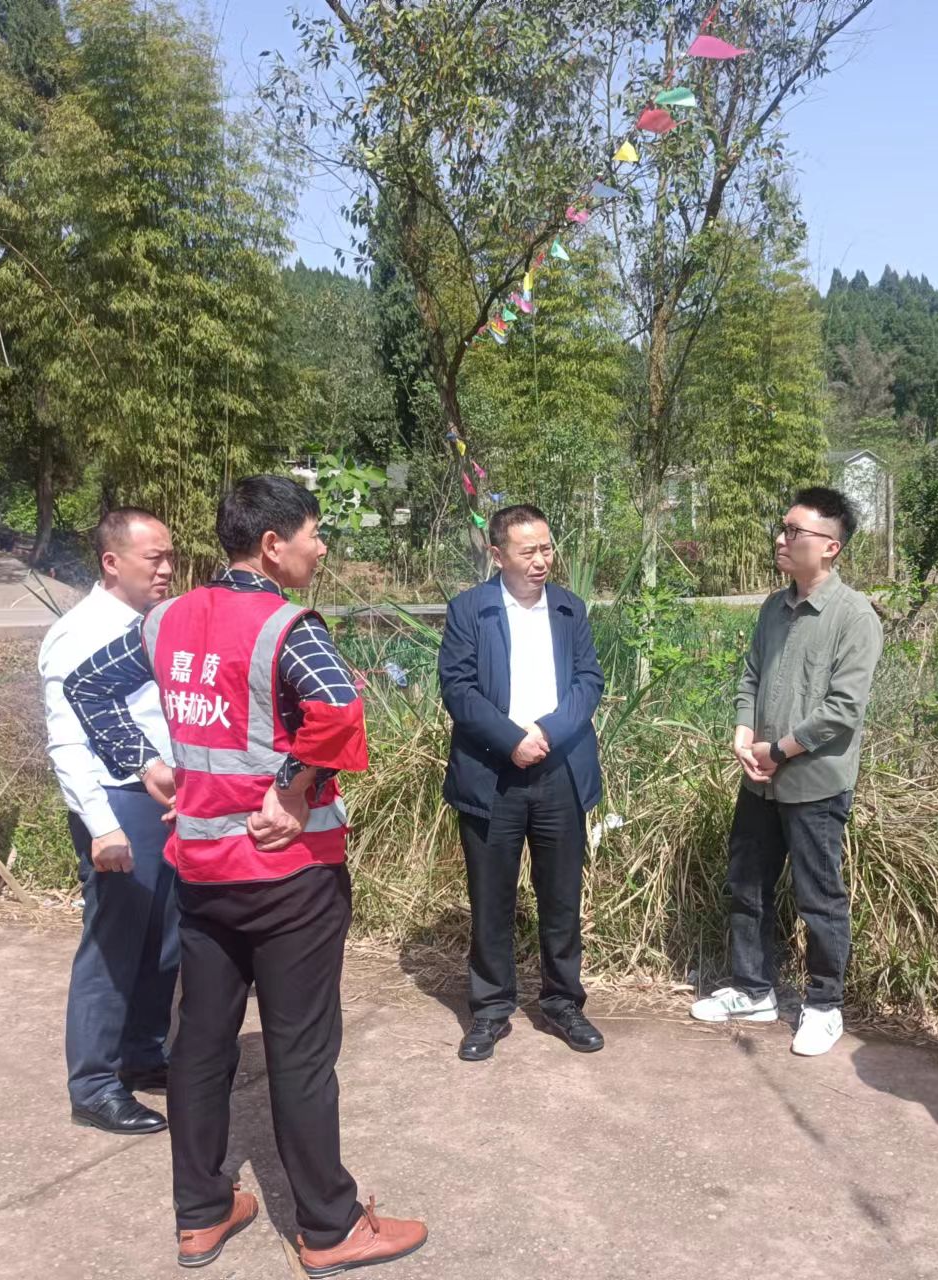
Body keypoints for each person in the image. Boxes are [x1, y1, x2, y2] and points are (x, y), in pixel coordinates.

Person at [65, 476, 426, 1274]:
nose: (320, 548)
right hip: (290, 875)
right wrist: (292, 789)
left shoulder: (166, 619)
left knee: (199, 1045)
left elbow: (88, 686)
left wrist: (144, 763)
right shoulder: (285, 626)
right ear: (271, 544)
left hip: (202, 875)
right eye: (313, 533)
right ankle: (329, 1228)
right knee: (300, 1051)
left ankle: (200, 1214)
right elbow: (339, 708)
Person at [690, 487, 883, 1057]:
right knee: (746, 883)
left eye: (794, 531)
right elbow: (751, 676)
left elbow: (843, 709)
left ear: (830, 547)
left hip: (814, 783)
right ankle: (754, 990)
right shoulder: (773, 608)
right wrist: (743, 731)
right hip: (760, 777)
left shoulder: (854, 616)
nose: (781, 539)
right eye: (782, 528)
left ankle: (824, 1005)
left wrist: (781, 750)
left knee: (818, 896)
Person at [437, 504, 605, 1062]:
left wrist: (549, 732)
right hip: (492, 774)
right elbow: (458, 688)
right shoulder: (470, 610)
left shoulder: (569, 608)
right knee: (491, 897)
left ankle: (563, 1002)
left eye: (547, 548)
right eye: (528, 550)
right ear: (497, 554)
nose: (541, 560)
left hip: (560, 770)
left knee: (561, 897)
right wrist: (511, 739)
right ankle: (490, 1008)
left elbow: (588, 680)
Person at [40, 508, 179, 1136]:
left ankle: (144, 1053)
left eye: (170, 556)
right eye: (154, 558)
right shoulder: (79, 633)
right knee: (113, 946)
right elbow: (67, 743)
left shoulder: (156, 624)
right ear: (112, 562)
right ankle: (94, 1085)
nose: (167, 569)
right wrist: (102, 826)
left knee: (164, 942)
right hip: (118, 804)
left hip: (166, 801)